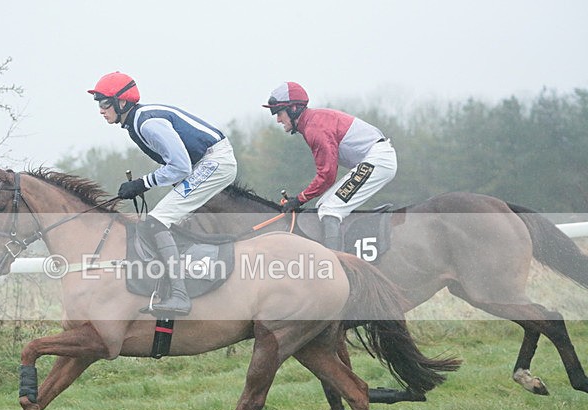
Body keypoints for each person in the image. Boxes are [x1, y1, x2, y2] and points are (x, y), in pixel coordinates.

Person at [88, 71, 237, 316]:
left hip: (214, 163)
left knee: (156, 222)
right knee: (165, 221)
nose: (101, 110)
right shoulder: (136, 121)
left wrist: (142, 183)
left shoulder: (147, 123)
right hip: (206, 162)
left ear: (121, 102)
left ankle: (180, 296)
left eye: (104, 104)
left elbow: (180, 166)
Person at [262, 81, 397, 251]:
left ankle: (335, 262)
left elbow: (327, 176)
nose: (278, 120)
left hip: (379, 159)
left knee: (330, 209)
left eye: (279, 113)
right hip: (376, 157)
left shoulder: (315, 128)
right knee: (323, 205)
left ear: (293, 109)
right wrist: (301, 198)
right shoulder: (312, 122)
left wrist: (299, 199)